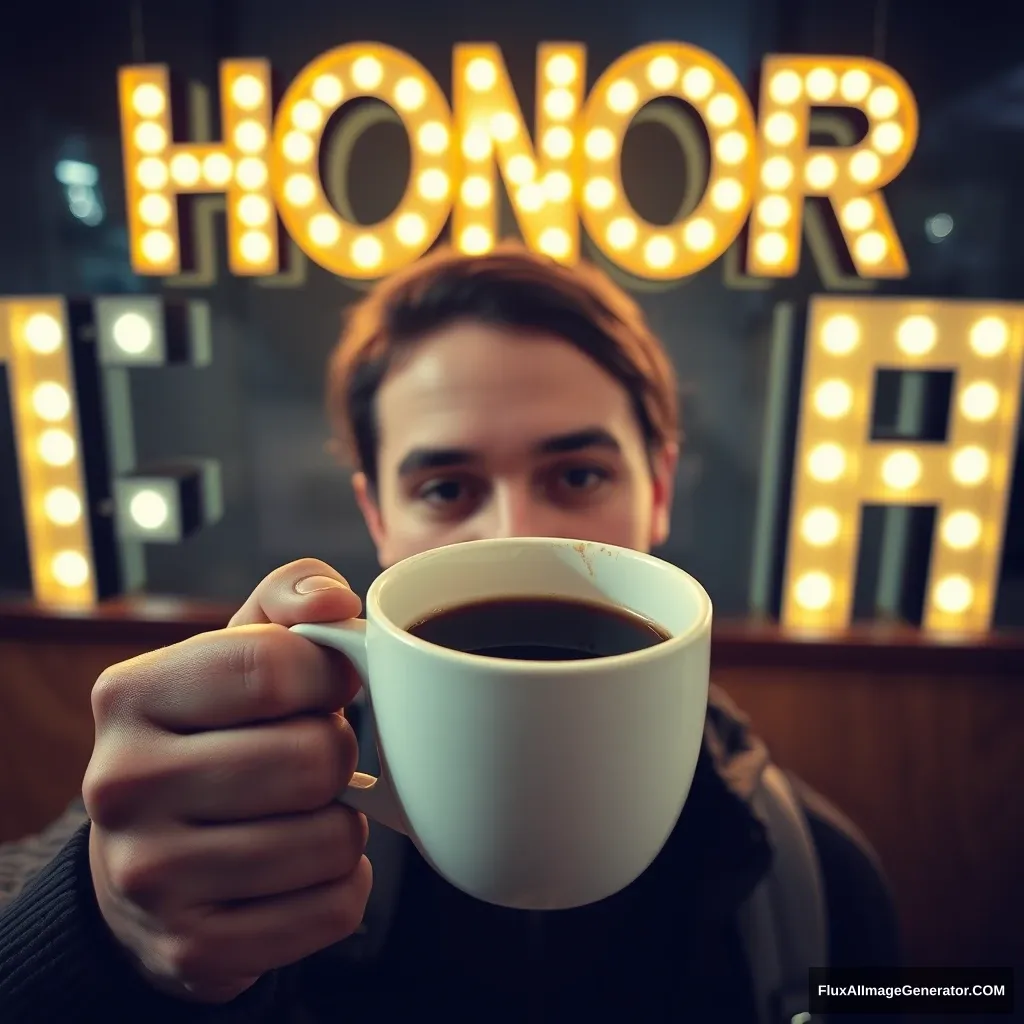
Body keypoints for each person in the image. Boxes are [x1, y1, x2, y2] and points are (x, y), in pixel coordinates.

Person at [0, 245, 900, 1022]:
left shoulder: (814, 881)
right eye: (445, 489)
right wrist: (103, 927)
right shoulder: (238, 803)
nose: (517, 536)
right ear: (377, 518)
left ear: (660, 487)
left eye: (579, 473)